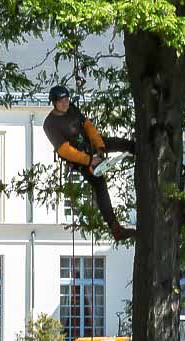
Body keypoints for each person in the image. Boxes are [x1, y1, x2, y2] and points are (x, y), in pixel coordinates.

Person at [42, 84, 135, 242]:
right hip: (79, 159)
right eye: (61, 101)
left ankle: (143, 149)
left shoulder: (72, 109)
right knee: (100, 185)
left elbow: (88, 126)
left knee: (120, 143)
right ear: (54, 102)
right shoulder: (50, 124)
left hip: (90, 146)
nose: (65, 103)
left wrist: (99, 146)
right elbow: (65, 151)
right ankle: (115, 228)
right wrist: (90, 160)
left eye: (66, 99)